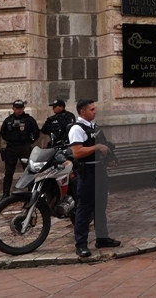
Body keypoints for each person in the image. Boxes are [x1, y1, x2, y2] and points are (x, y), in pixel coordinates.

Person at [68, 99, 120, 258]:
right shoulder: (77, 129)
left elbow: (104, 145)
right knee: (84, 209)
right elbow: (77, 152)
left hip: (100, 170)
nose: (94, 111)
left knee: (100, 206)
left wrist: (111, 157)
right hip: (87, 172)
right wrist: (97, 147)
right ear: (82, 111)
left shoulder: (94, 127)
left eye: (94, 109)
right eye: (91, 109)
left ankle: (102, 238)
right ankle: (81, 244)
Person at [0, 99, 39, 199]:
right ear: (13, 109)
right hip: (11, 147)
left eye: (21, 108)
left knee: (28, 170)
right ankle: (5, 193)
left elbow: (36, 132)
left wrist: (30, 141)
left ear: (23, 108)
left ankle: (32, 191)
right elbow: (3, 133)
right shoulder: (8, 120)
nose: (19, 110)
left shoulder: (29, 120)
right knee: (8, 172)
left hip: (24, 147)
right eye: (17, 108)